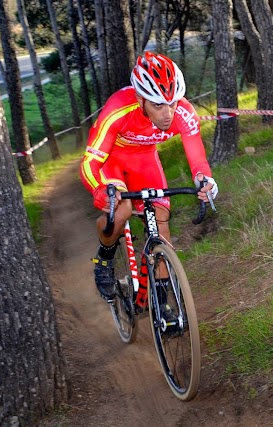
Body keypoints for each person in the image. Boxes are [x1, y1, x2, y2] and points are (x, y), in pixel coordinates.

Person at [79, 52, 217, 308]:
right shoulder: (118, 109)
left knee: (161, 223)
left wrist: (205, 180)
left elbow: (197, 159)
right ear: (141, 99)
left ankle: (161, 306)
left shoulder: (182, 112)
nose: (168, 113)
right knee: (121, 211)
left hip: (144, 160)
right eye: (158, 105)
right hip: (113, 159)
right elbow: (91, 162)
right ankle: (104, 259)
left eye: (173, 103)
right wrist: (101, 188)